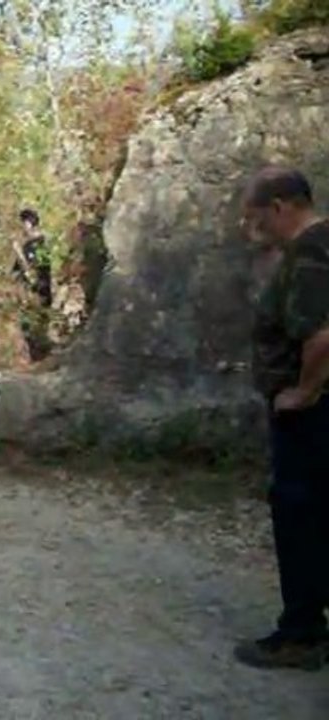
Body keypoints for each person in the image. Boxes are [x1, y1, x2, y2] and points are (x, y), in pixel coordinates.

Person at [239, 165, 329, 669]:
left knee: (299, 514)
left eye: (258, 219)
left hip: (313, 415)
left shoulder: (311, 251)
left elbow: (321, 335)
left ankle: (302, 634)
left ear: (281, 207)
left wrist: (303, 391)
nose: (257, 232)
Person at [12, 208, 53, 360]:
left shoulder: (39, 242)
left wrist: (18, 253)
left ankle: (40, 355)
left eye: (24, 222)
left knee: (35, 324)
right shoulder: (30, 243)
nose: (22, 226)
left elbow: (35, 269)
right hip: (32, 289)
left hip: (37, 290)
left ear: (29, 223)